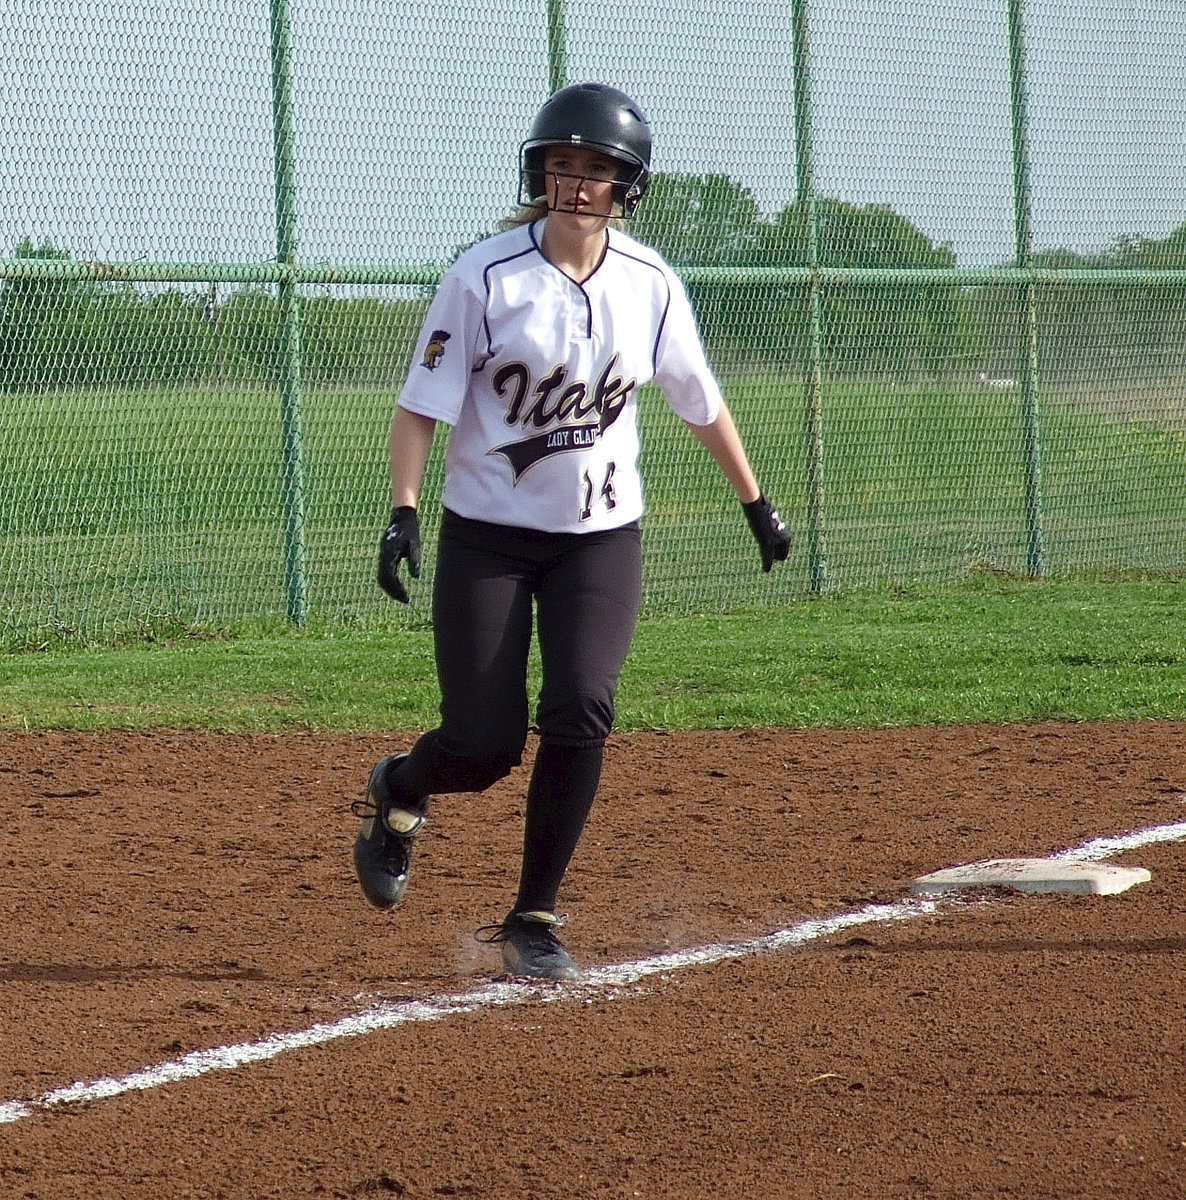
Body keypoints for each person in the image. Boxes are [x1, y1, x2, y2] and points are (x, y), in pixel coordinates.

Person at [353, 81, 791, 983]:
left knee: (582, 708)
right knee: (483, 747)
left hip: (600, 539)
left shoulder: (650, 283)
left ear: (628, 185)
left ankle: (534, 918)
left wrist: (755, 503)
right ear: (538, 173)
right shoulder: (484, 277)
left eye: (598, 168)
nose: (578, 182)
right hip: (488, 537)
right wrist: (404, 510)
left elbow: (700, 402)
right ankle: (401, 787)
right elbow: (421, 406)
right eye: (562, 164)